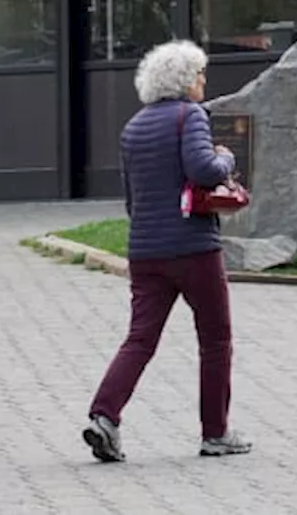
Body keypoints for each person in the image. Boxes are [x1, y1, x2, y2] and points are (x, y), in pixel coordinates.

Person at [83, 39, 251, 462]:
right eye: (199, 74)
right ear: (183, 81)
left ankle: (104, 417)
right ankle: (215, 433)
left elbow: (130, 198)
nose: (203, 81)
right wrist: (226, 158)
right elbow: (202, 169)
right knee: (215, 339)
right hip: (193, 247)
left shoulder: (133, 126)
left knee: (140, 339)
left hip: (145, 251)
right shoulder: (190, 115)